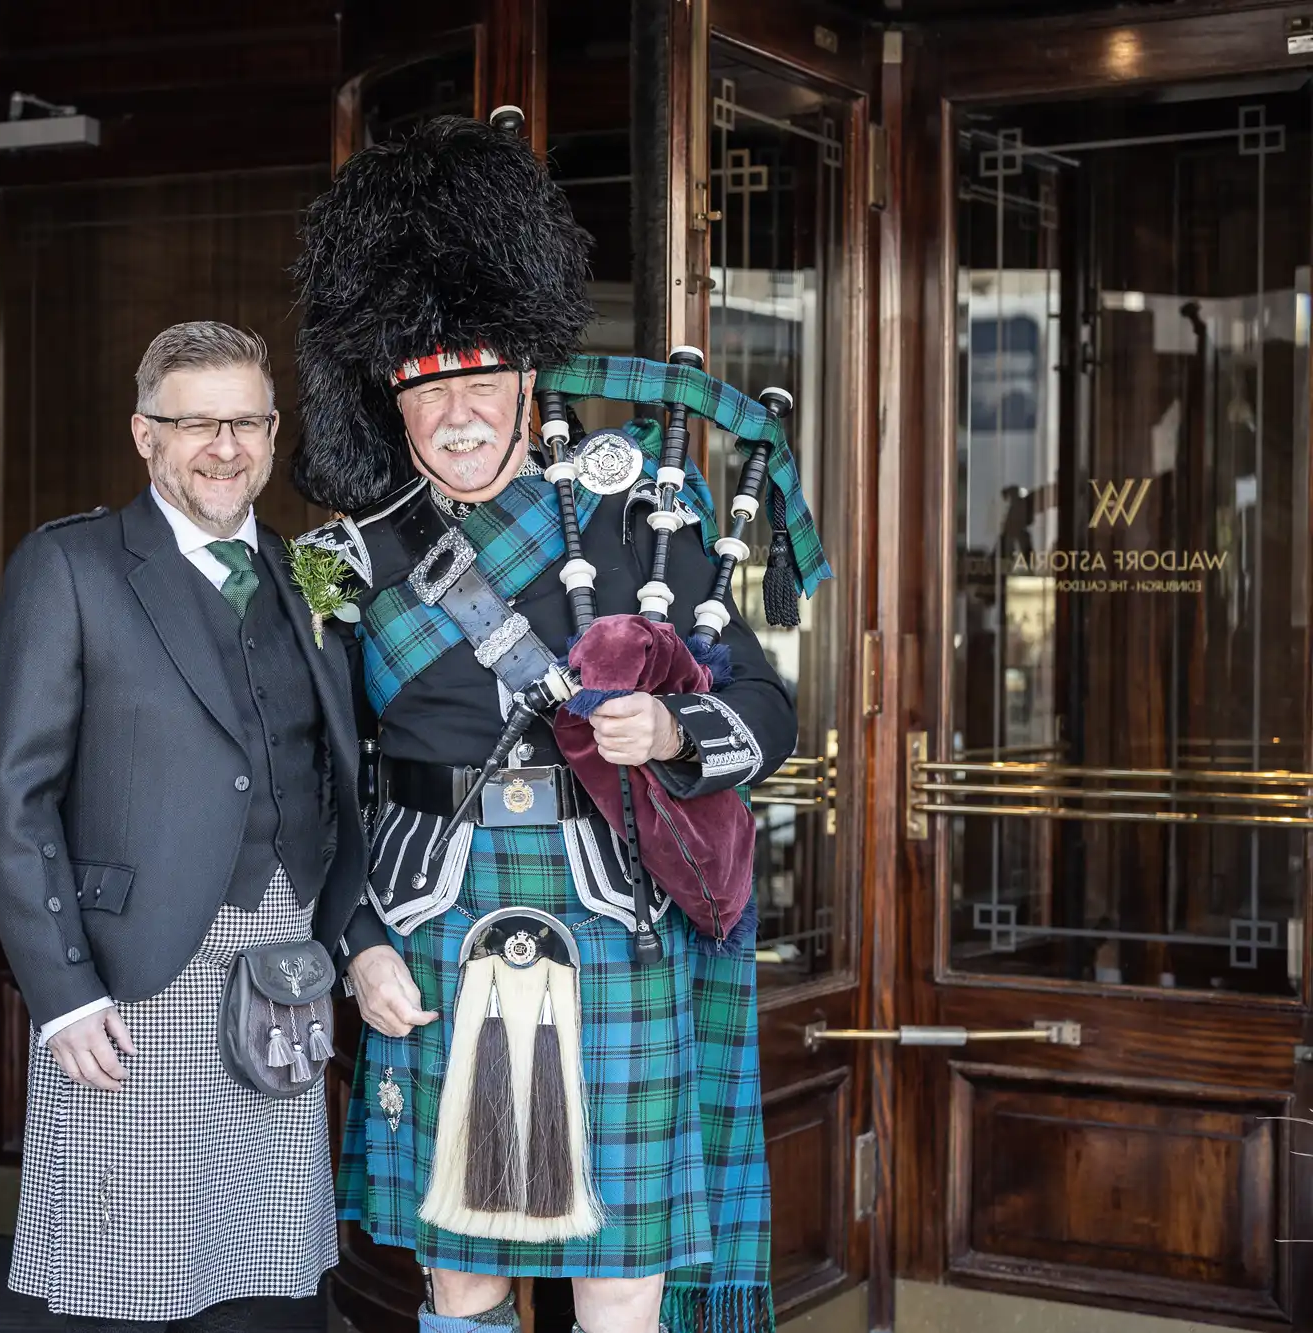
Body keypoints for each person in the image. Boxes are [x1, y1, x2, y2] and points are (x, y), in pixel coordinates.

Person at [290, 115, 830, 1333]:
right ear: (392, 396)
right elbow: (312, 784)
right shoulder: (338, 565)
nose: (460, 419)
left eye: (482, 385)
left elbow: (767, 706)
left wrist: (677, 731)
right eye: (431, 395)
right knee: (463, 1275)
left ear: (529, 377)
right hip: (429, 919)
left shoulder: (639, 521)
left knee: (619, 1275)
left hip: (608, 914)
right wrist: (356, 941)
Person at [0, 321, 386, 1332]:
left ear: (272, 429)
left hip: (283, 962)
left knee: (266, 1269)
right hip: (130, 969)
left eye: (245, 420)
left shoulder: (312, 575)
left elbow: (342, 766)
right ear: (143, 436)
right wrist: (62, 995)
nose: (224, 444)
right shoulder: (69, 566)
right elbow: (14, 793)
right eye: (194, 422)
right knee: (130, 1277)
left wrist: (343, 934)